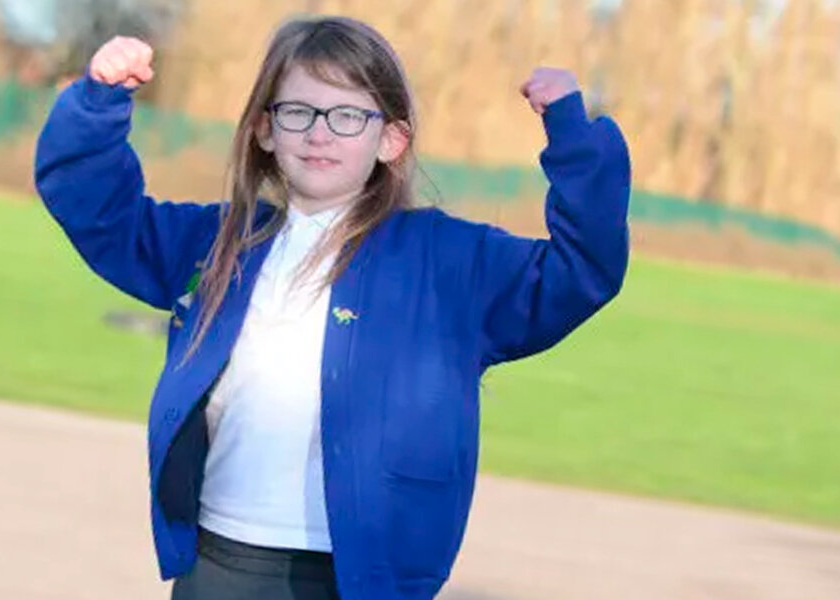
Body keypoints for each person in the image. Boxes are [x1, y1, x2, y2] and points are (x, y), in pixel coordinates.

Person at [34, 14, 630, 600]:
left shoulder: (449, 264)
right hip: (221, 561)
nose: (320, 134)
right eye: (298, 112)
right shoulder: (218, 243)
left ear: (391, 139)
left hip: (364, 577)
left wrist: (571, 133)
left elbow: (583, 269)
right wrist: (99, 102)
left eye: (348, 116)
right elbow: (99, 212)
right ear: (266, 129)